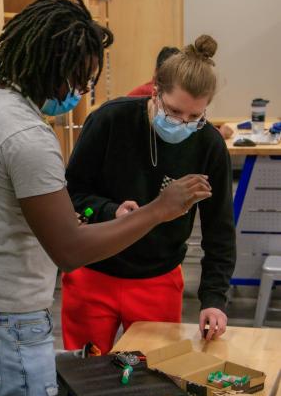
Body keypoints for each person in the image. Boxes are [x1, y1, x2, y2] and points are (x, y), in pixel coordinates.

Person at [0, 0, 211, 396]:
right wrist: (157, 210)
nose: (82, 93)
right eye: (82, 79)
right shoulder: (27, 135)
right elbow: (67, 251)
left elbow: (11, 209)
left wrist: (102, 214)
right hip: (7, 323)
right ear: (54, 65)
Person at [62, 34, 236, 355]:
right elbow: (72, 194)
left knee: (151, 377)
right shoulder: (110, 120)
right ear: (155, 91)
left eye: (195, 118)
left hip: (158, 278)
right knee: (83, 374)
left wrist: (214, 300)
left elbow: (219, 231)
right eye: (172, 113)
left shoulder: (209, 145)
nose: (182, 124)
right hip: (94, 272)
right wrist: (109, 211)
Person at [128, 45, 233, 140]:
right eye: (174, 111)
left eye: (194, 116)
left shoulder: (212, 144)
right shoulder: (118, 118)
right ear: (155, 94)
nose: (181, 126)